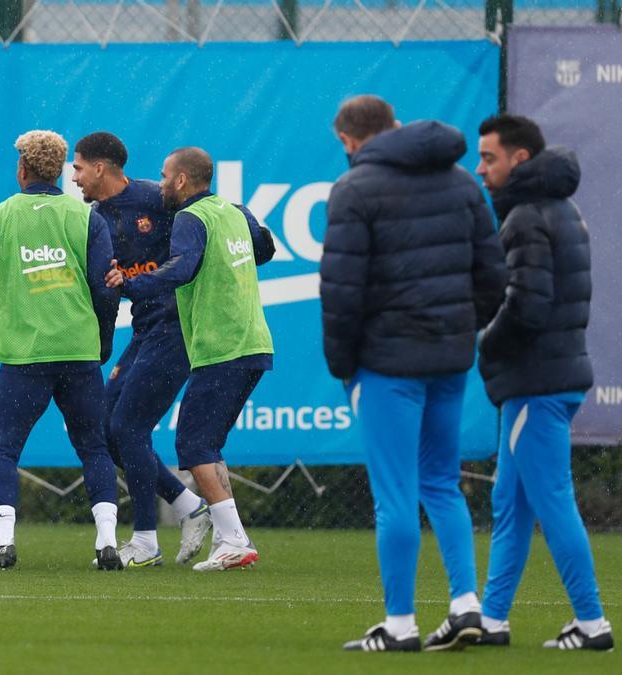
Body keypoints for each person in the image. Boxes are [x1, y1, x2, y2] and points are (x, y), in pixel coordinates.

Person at [320, 95, 506, 652]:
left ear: (351, 140)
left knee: (395, 495)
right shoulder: (460, 182)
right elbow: (492, 274)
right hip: (449, 357)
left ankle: (399, 624)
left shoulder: (354, 189)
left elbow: (341, 291)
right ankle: (466, 605)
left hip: (387, 362)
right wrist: (460, 327)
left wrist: (343, 366)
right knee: (442, 484)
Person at [73, 131, 274, 567]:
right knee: (104, 428)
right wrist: (106, 343)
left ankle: (146, 543)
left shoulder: (159, 201)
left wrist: (134, 282)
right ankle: (188, 507)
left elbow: (192, 254)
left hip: (178, 329)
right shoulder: (91, 218)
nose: (75, 176)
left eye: (78, 167)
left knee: (132, 427)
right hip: (146, 330)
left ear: (100, 168)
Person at [0, 130, 122, 570]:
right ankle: (107, 543)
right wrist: (103, 342)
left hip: (25, 356)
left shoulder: (1, 215)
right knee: (94, 448)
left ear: (22, 168)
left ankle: (3, 543)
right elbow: (105, 289)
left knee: (5, 450)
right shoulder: (86, 217)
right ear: (58, 170)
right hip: (78, 351)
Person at [474, 114, 612, 651]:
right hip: (549, 378)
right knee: (512, 504)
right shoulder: (560, 209)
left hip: (537, 382)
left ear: (520, 160)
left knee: (552, 502)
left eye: (490, 158)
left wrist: (485, 342)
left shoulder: (527, 216)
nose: (482, 169)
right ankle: (491, 619)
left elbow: (526, 308)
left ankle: (593, 623)